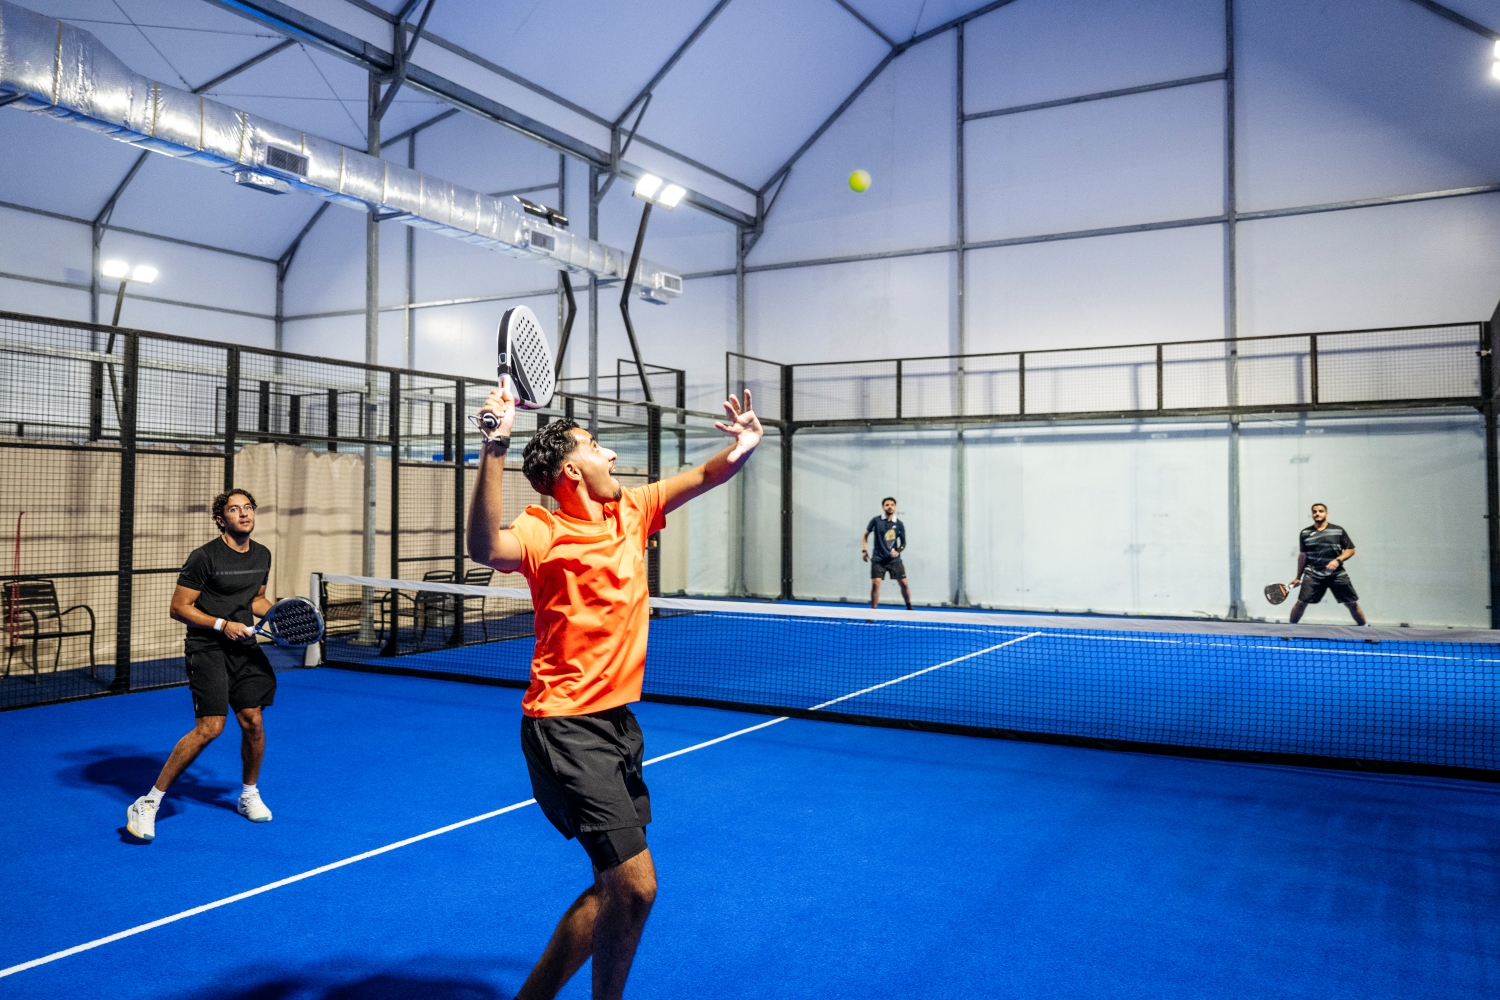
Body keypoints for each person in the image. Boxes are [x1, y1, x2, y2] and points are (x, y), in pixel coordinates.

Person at [466, 387, 762, 1000]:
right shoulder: (542, 528)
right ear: (571, 469)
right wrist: (494, 446)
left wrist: (744, 446)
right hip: (565, 725)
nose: (615, 458)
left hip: (617, 723)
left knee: (613, 887)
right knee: (638, 885)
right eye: (599, 448)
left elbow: (708, 474)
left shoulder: (633, 508)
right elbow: (484, 548)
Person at [126, 489, 276, 843]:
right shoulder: (204, 557)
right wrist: (222, 624)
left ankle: (248, 794)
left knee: (253, 720)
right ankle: (148, 803)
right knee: (210, 727)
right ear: (221, 520)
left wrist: (279, 614)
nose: (244, 514)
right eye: (235, 509)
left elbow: (255, 598)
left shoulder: (263, 554)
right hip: (207, 647)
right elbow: (179, 608)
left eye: (248, 508)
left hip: (245, 648)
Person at [1289, 502, 1366, 626]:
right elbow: (1303, 555)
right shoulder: (1305, 533)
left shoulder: (1338, 530)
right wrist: (1298, 577)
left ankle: (1366, 631)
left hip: (1337, 575)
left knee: (1352, 603)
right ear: (1312, 514)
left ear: (1326, 513)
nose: (1317, 513)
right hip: (1313, 574)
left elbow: (1350, 549)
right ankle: (1290, 629)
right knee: (1301, 603)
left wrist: (1337, 560)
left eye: (1320, 511)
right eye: (1314, 511)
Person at [862, 496, 911, 610]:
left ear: (895, 507)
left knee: (904, 584)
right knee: (876, 584)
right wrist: (864, 550)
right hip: (878, 559)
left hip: (894, 560)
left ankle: (909, 607)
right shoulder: (876, 521)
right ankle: (873, 611)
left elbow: (903, 543)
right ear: (883, 507)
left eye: (892, 505)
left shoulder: (899, 524)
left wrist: (897, 551)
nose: (890, 507)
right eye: (887, 505)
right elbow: (865, 535)